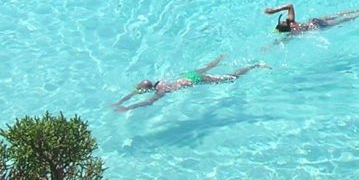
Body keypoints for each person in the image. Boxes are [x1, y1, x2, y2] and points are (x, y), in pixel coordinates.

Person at [114, 55, 266, 111]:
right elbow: (137, 91)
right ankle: (221, 57)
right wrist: (121, 101)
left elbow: (148, 103)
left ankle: (254, 65)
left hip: (195, 79)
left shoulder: (162, 91)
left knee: (231, 77)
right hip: (189, 74)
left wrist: (128, 107)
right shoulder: (160, 81)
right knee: (207, 67)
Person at [266, 3, 359, 34]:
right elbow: (290, 6)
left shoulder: (292, 25)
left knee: (340, 16)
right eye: (282, 22)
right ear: (285, 26)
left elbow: (290, 5)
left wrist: (275, 10)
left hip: (315, 23)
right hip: (317, 24)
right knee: (341, 18)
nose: (284, 20)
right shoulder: (292, 27)